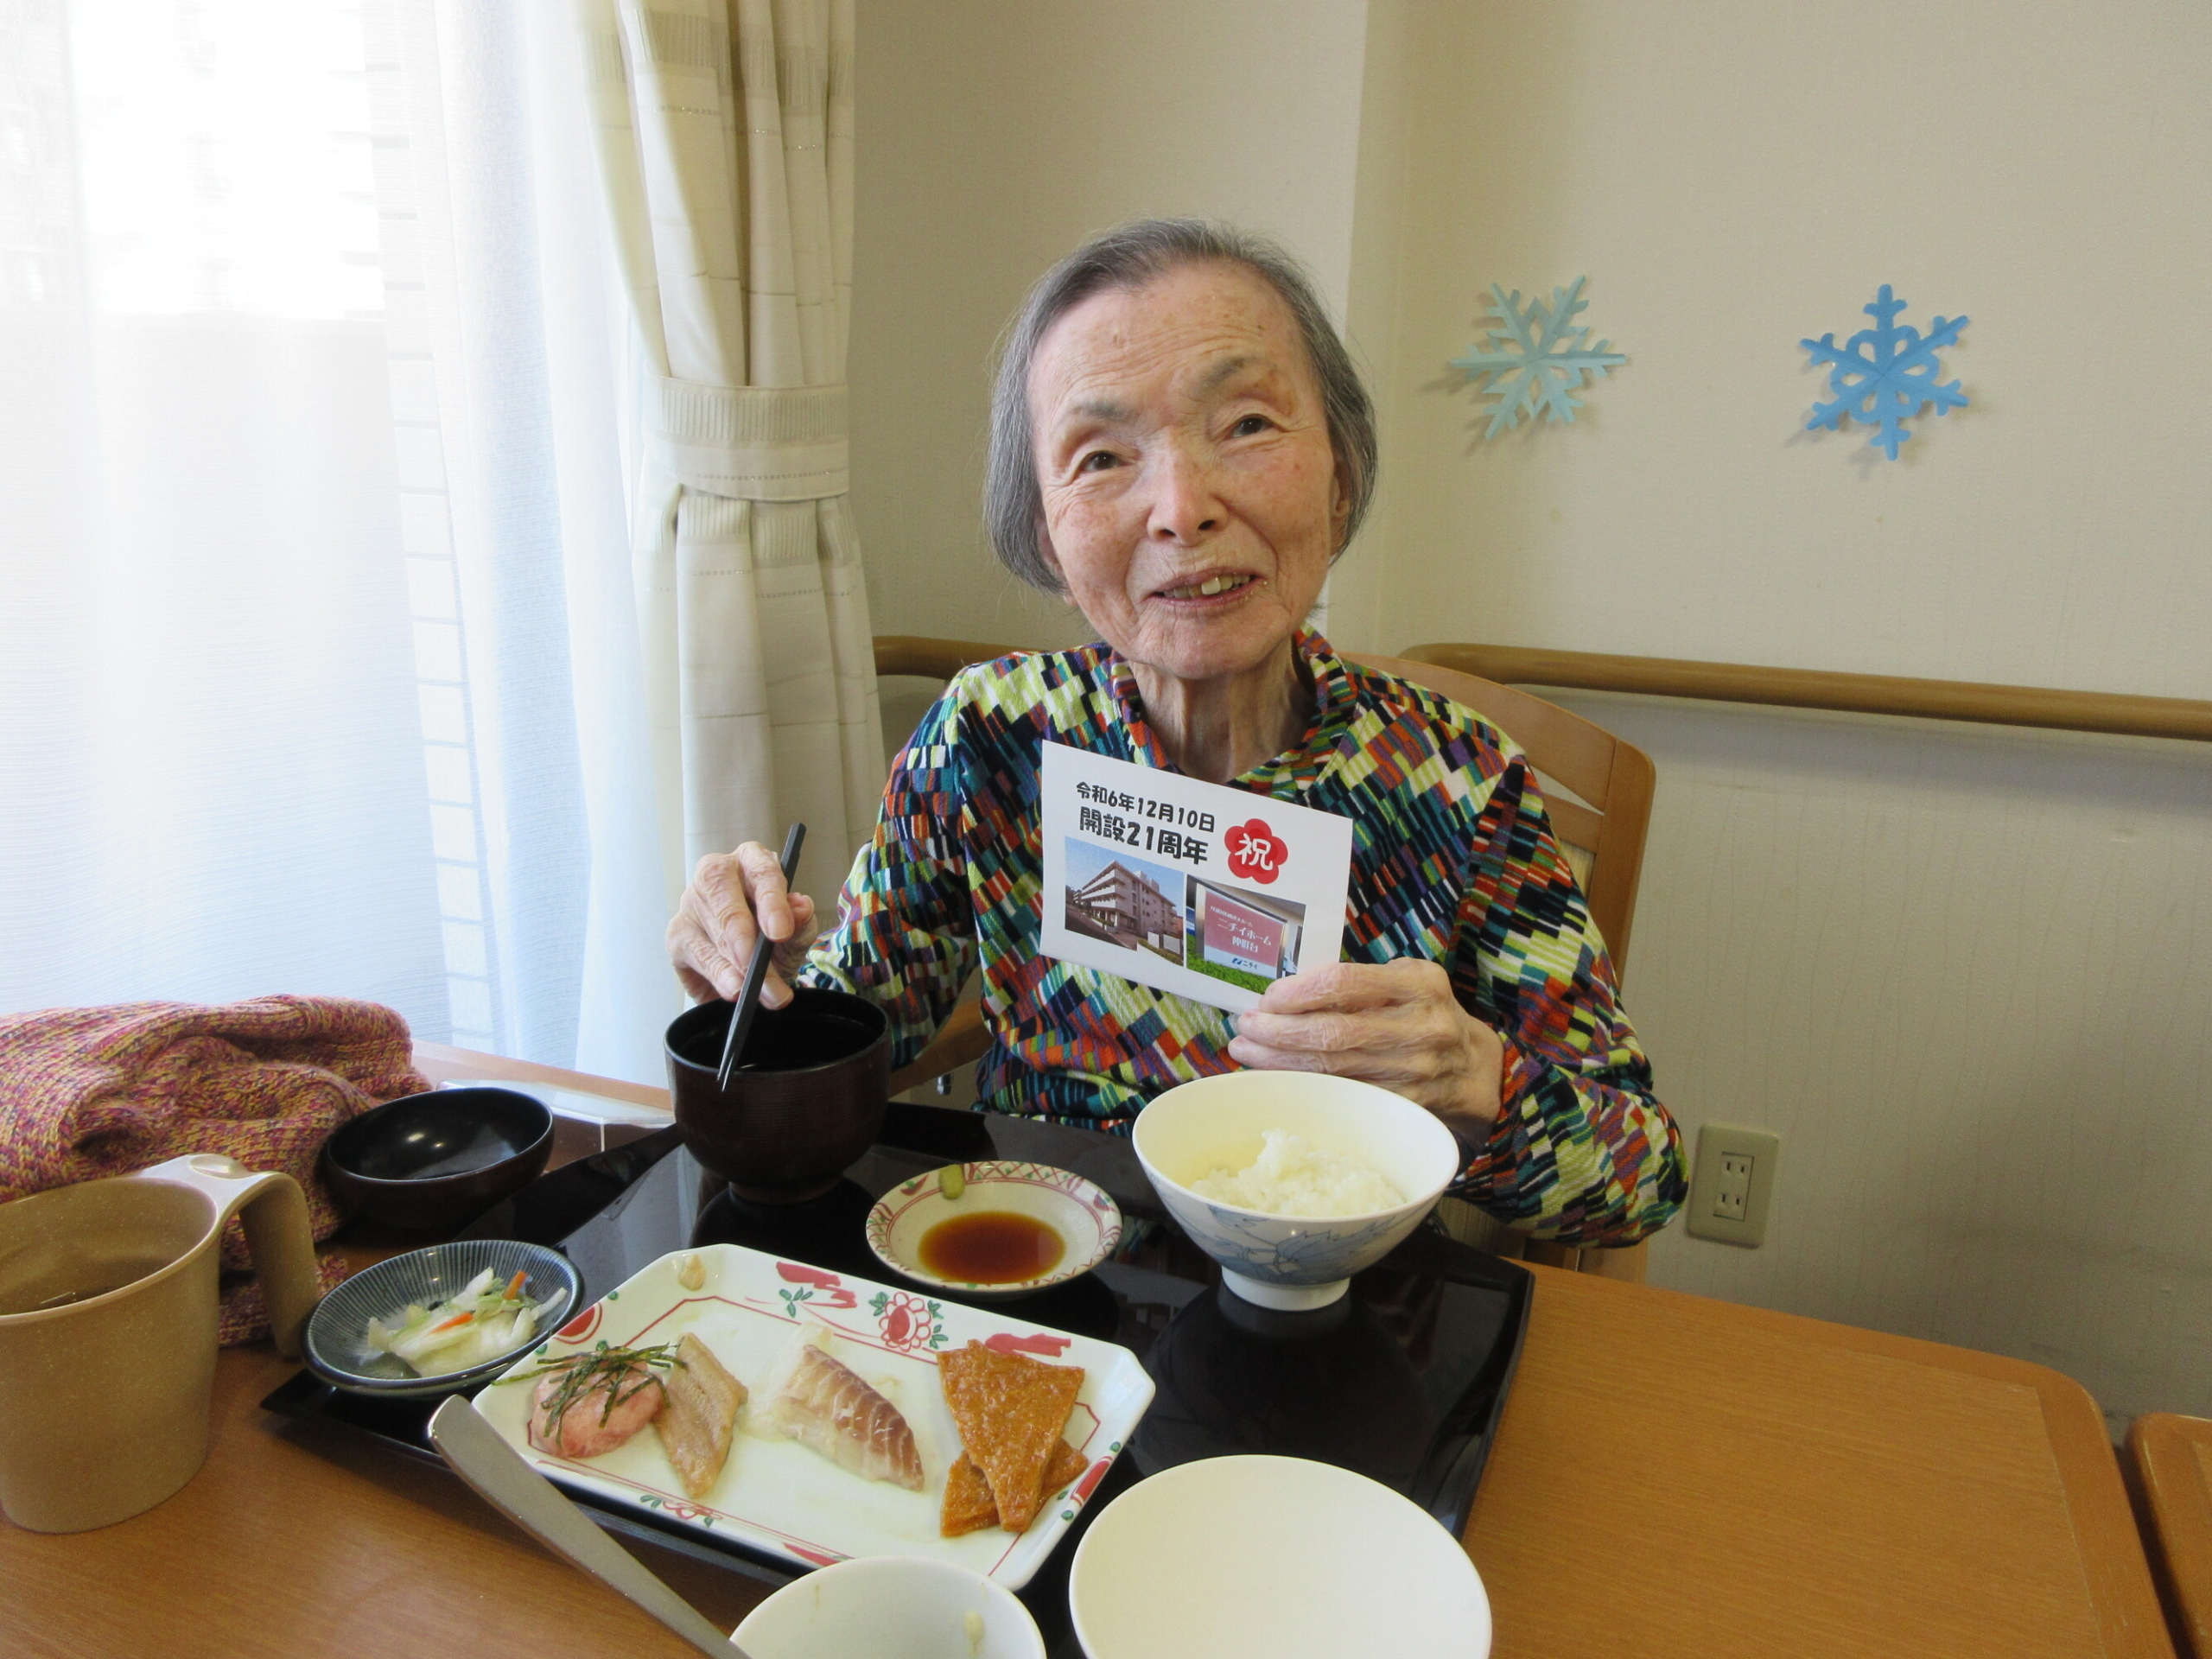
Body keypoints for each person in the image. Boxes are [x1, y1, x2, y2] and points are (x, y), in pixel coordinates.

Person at [668, 219, 1683, 1244]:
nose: (1181, 508)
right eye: (1102, 455)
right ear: (1045, 536)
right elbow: (854, 1041)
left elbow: (1638, 1175)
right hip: (1041, 1279)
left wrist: (1481, 1078)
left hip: (1325, 1308)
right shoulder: (991, 737)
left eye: (1245, 424)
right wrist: (759, 982)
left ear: (1340, 477)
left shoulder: (1452, 779)